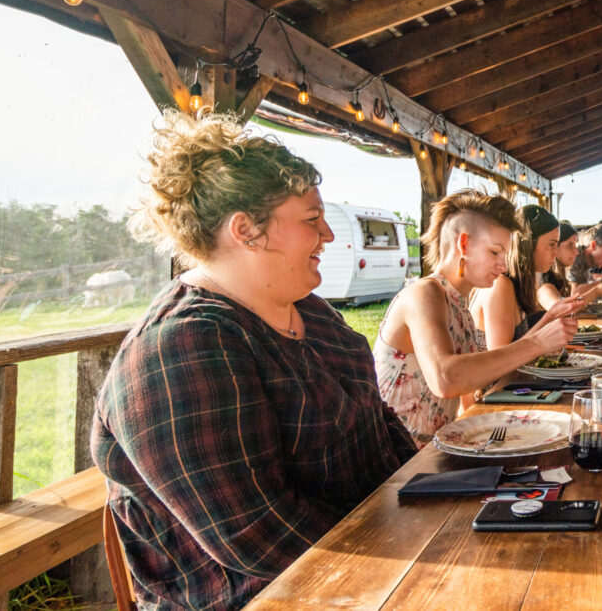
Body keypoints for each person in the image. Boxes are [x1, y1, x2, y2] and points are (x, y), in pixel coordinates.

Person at [92, 110, 417, 609]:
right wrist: (417, 546)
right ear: (246, 230)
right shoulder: (179, 350)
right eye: (312, 220)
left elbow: (377, 421)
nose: (328, 236)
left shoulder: (311, 311)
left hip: (380, 565)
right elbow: (258, 536)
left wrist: (431, 493)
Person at [375, 191, 577, 447]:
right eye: (495, 253)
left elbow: (468, 398)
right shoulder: (423, 294)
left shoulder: (459, 302)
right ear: (464, 245)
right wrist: (537, 343)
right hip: (401, 461)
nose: (503, 265)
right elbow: (445, 379)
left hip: (441, 447)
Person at [469, 204, 584, 348]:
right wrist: (550, 317)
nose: (555, 253)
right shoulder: (500, 284)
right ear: (529, 244)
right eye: (551, 245)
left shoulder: (522, 282)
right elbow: (500, 360)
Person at [539, 221, 602, 309]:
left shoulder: (559, 279)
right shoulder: (543, 283)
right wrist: (597, 290)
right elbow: (562, 310)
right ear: (555, 247)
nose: (576, 252)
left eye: (575, 245)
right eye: (570, 245)